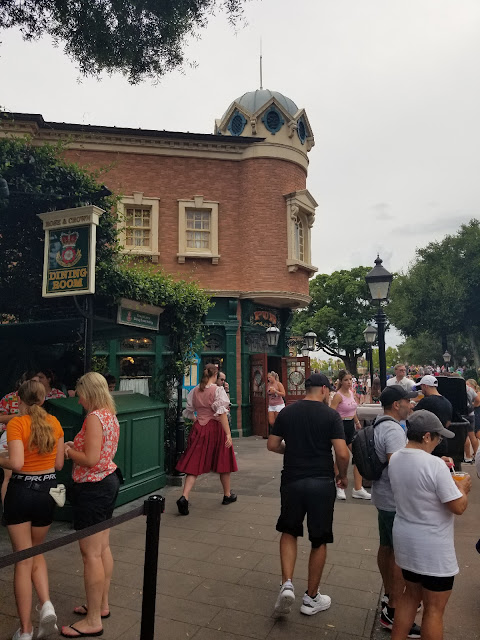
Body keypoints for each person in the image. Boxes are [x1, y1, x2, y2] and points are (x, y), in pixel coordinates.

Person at [267, 373, 350, 617]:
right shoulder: (331, 415)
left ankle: (287, 584)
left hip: (292, 479)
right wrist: (343, 475)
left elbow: (272, 444)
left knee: (289, 530)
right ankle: (311, 598)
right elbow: (342, 453)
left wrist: (292, 450)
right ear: (323, 389)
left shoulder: (287, 412)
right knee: (319, 539)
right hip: (321, 482)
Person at [389, 410, 471, 640]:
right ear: (427, 436)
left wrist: (437, 463)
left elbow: (419, 475)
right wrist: (463, 489)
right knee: (434, 608)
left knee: (410, 596)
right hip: (432, 546)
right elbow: (458, 506)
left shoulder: (396, 458)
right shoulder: (434, 465)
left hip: (405, 539)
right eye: (438, 437)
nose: (438, 442)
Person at [0, 380, 64, 640]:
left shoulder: (17, 424)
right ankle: (46, 604)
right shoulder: (55, 423)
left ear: (20, 400)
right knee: (36, 552)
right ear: (44, 398)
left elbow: (16, 463)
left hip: (22, 491)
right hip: (48, 491)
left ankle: (26, 630)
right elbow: (59, 465)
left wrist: (0, 458)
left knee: (22, 559)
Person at [61, 372, 121, 639]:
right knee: (102, 548)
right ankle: (101, 605)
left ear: (90, 392)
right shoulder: (110, 415)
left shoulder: (94, 418)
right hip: (107, 483)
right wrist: (77, 446)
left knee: (91, 555)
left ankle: (93, 619)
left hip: (93, 489)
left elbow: (90, 459)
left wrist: (68, 451)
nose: (79, 400)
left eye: (81, 394)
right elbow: (99, 453)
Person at [372, 385, 421, 638]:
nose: (410, 405)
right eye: (407, 401)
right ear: (396, 405)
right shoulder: (392, 430)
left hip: (383, 497)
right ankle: (393, 608)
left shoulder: (380, 424)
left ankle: (389, 594)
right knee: (399, 555)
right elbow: (397, 466)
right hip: (393, 500)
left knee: (387, 547)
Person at [175, 363, 237, 515]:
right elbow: (222, 414)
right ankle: (227, 495)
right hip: (216, 429)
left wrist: (198, 420)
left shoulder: (195, 390)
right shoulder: (218, 390)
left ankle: (184, 497)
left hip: (199, 428)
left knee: (194, 463)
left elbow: (189, 412)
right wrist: (228, 434)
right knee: (224, 460)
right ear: (215, 375)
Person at [0, 372, 40, 504]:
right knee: (9, 474)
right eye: (32, 382)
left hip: (34, 435)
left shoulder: (41, 398)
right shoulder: (9, 398)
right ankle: (6, 509)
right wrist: (17, 417)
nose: (36, 385)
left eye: (38, 382)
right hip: (10, 435)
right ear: (23, 383)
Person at [330, 370, 370, 500]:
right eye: (346, 380)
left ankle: (358, 488)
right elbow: (331, 413)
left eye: (350, 380)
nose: (349, 382)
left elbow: (353, 410)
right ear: (341, 381)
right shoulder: (338, 396)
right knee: (341, 457)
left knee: (359, 455)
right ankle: (340, 486)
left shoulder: (351, 393)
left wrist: (357, 422)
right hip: (340, 426)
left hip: (350, 427)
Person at [412, 375, 453, 459]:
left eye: (421, 387)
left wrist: (412, 402)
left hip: (428, 441)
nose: (421, 390)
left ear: (425, 386)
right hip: (442, 441)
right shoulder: (447, 402)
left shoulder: (426, 401)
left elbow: (413, 417)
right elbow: (448, 423)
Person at [464, 379, 480, 462]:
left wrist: (474, 405)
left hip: (464, 413)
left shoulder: (463, 389)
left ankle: (468, 456)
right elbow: (477, 400)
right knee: (472, 435)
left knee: (465, 436)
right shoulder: (471, 390)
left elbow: (478, 400)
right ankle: (476, 456)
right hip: (471, 414)